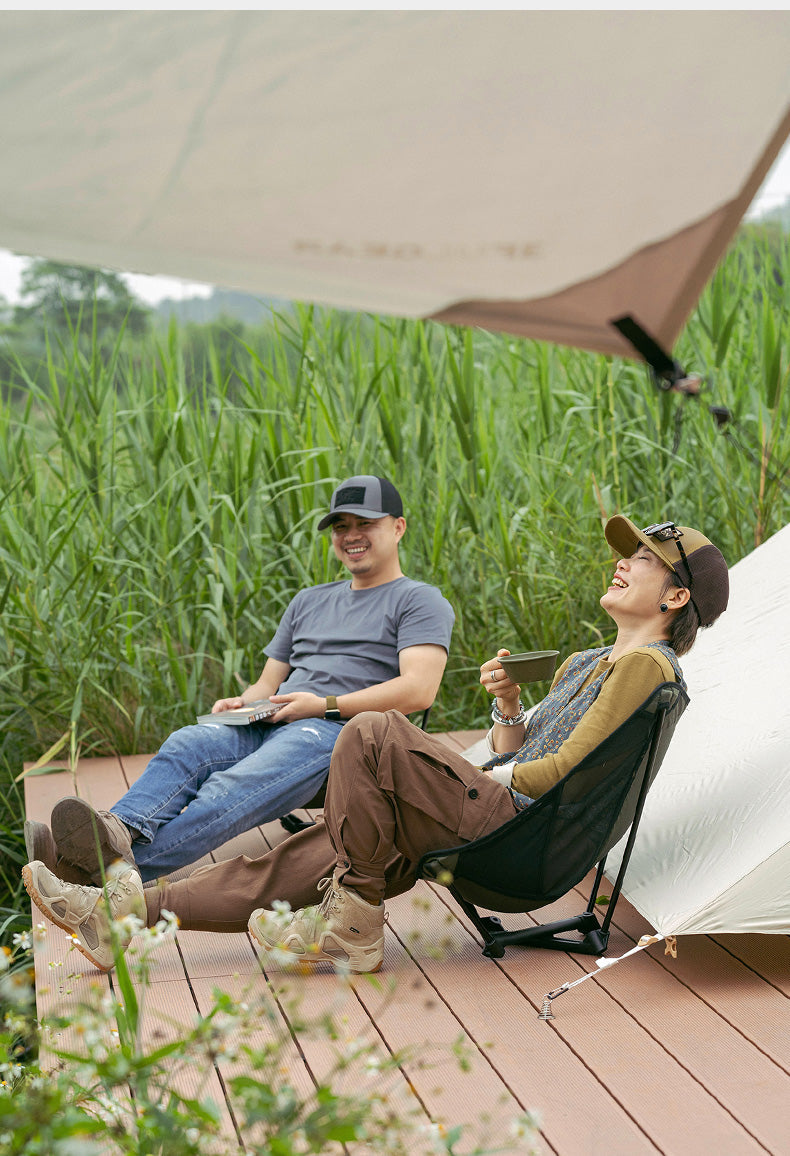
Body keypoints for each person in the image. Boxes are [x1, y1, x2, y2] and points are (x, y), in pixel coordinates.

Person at [23, 515, 729, 975]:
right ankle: (122, 912)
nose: (624, 562)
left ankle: (354, 919)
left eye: (643, 559)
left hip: (523, 842)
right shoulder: (587, 662)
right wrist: (509, 709)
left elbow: (558, 777)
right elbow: (528, 750)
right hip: (509, 822)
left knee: (374, 731)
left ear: (674, 599)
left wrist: (467, 769)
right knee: (325, 844)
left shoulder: (649, 667)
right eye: (628, 553)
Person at [24, 475, 455, 885]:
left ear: (398, 528)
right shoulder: (310, 600)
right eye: (341, 525)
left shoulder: (418, 600)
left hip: (338, 731)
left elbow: (419, 690)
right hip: (270, 718)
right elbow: (266, 684)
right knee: (187, 743)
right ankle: (116, 833)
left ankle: (88, 875)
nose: (351, 534)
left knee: (230, 788)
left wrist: (322, 705)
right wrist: (241, 703)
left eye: (365, 523)